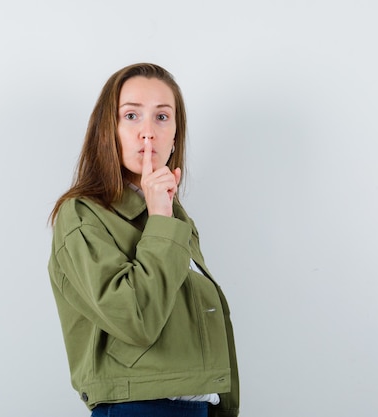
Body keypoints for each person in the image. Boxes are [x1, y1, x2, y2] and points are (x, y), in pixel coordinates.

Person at [47, 63, 239, 417]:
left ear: (176, 135)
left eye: (162, 118)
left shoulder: (171, 216)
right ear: (108, 129)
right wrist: (161, 219)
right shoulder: (83, 214)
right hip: (139, 407)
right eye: (132, 115)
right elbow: (135, 317)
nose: (148, 132)